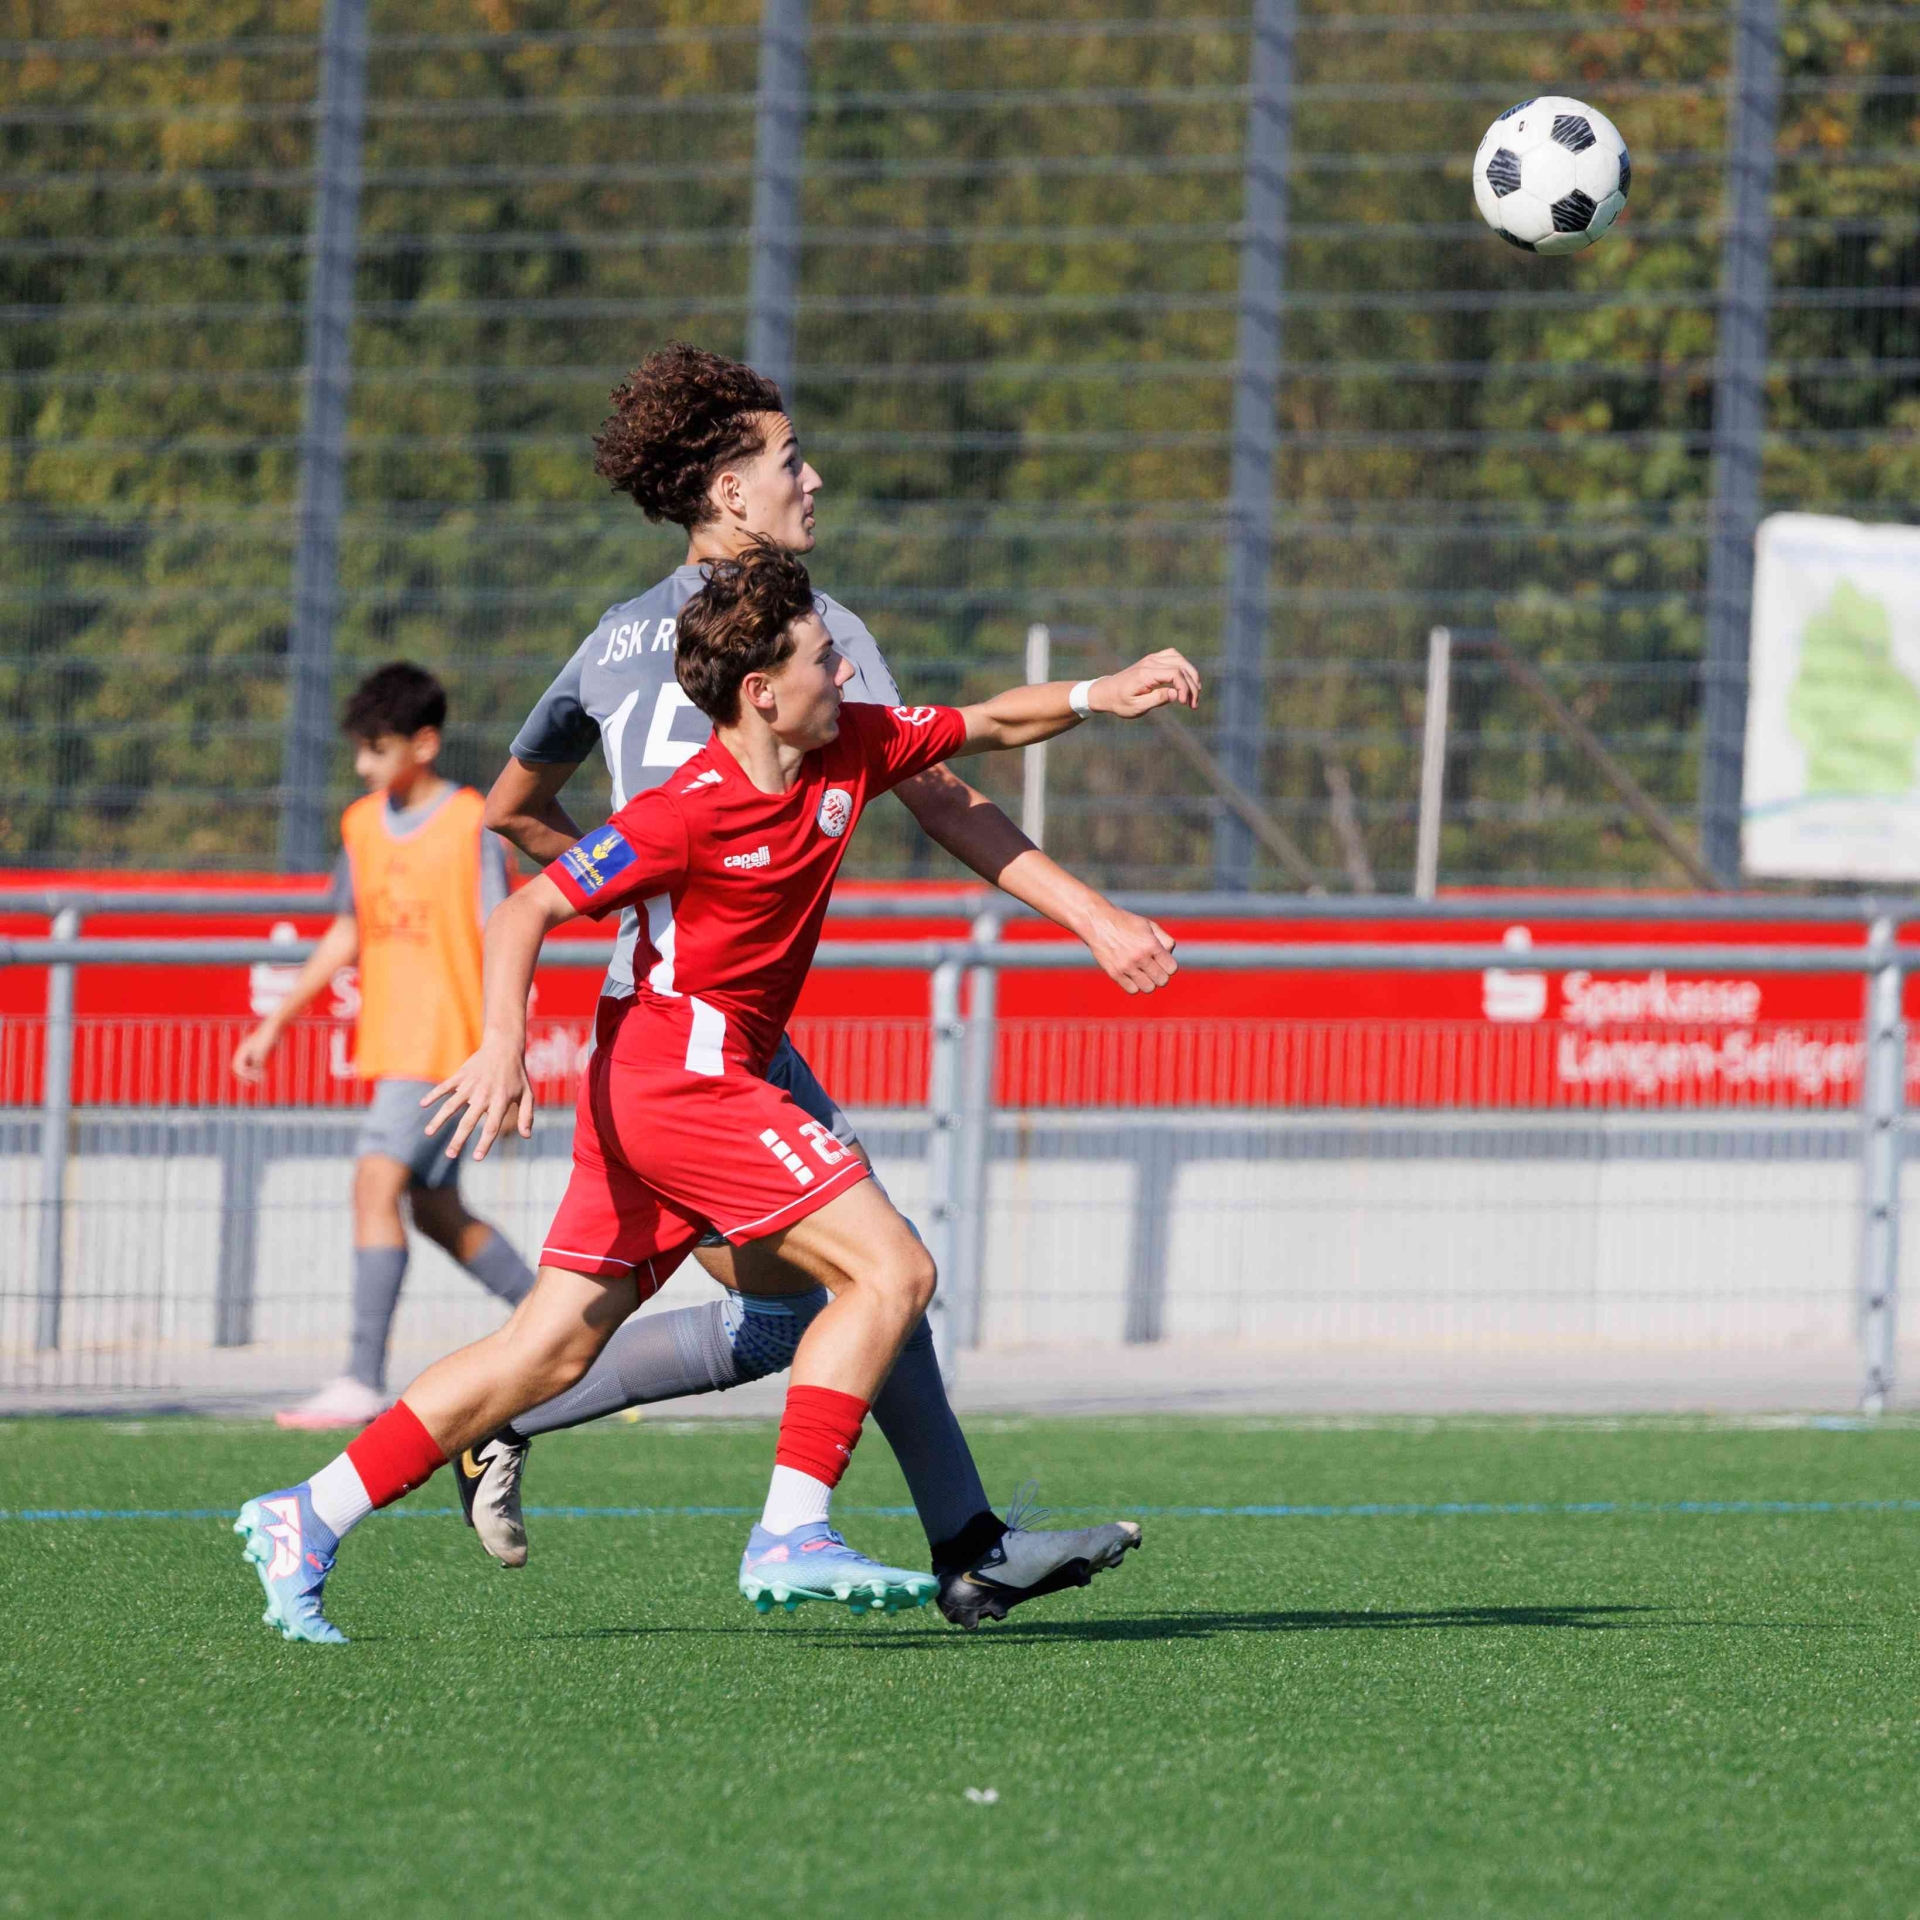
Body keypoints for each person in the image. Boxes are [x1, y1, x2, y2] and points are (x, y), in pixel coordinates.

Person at [234, 540, 1199, 1642]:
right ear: (762, 693)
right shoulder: (684, 810)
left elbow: (989, 722)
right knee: (891, 1270)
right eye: (825, 659)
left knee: (545, 1351)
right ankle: (792, 1529)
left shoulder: (851, 745)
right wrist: (503, 1041)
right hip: (679, 1082)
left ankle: (309, 1513)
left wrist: (1101, 692)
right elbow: (523, 909)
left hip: (664, 1087)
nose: (847, 672)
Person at [461, 342, 1178, 1627]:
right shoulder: (806, 629)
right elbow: (944, 794)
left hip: (668, 1023)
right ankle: (512, 1424)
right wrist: (1095, 917)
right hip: (698, 1051)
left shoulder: (613, 634)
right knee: (844, 1293)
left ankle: (969, 1543)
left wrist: (634, 890)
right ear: (730, 491)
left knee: (855, 1288)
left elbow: (512, 807)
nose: (815, 478)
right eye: (791, 459)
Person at [231, 663, 536, 1430]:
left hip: (447, 1048)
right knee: (434, 1209)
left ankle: (362, 1380)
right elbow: (348, 931)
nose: (363, 765)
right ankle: (567, 1335)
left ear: (423, 744)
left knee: (374, 1184)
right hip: (396, 1048)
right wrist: (276, 1022)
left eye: (377, 748)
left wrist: (513, 1053)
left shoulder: (471, 821)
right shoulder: (362, 825)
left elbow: (505, 930)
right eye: (359, 750)